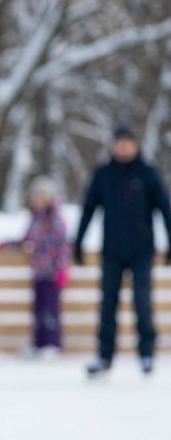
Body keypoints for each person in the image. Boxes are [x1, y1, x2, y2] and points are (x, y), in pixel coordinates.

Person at [74, 126, 171, 376]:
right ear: (113, 146)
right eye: (119, 143)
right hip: (112, 250)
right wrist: (78, 241)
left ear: (136, 146)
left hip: (142, 250)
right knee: (108, 303)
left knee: (142, 301)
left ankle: (146, 353)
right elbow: (88, 208)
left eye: (128, 143)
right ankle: (104, 356)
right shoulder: (104, 174)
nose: (124, 148)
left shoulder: (147, 174)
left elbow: (165, 208)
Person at [0, 176, 70, 355]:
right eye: (35, 197)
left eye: (41, 197)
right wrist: (5, 245)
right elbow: (26, 240)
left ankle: (52, 345)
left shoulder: (56, 220)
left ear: (49, 198)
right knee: (39, 309)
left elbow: (63, 246)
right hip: (39, 272)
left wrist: (62, 269)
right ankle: (39, 344)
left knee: (50, 310)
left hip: (52, 273)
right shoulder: (36, 219)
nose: (37, 200)